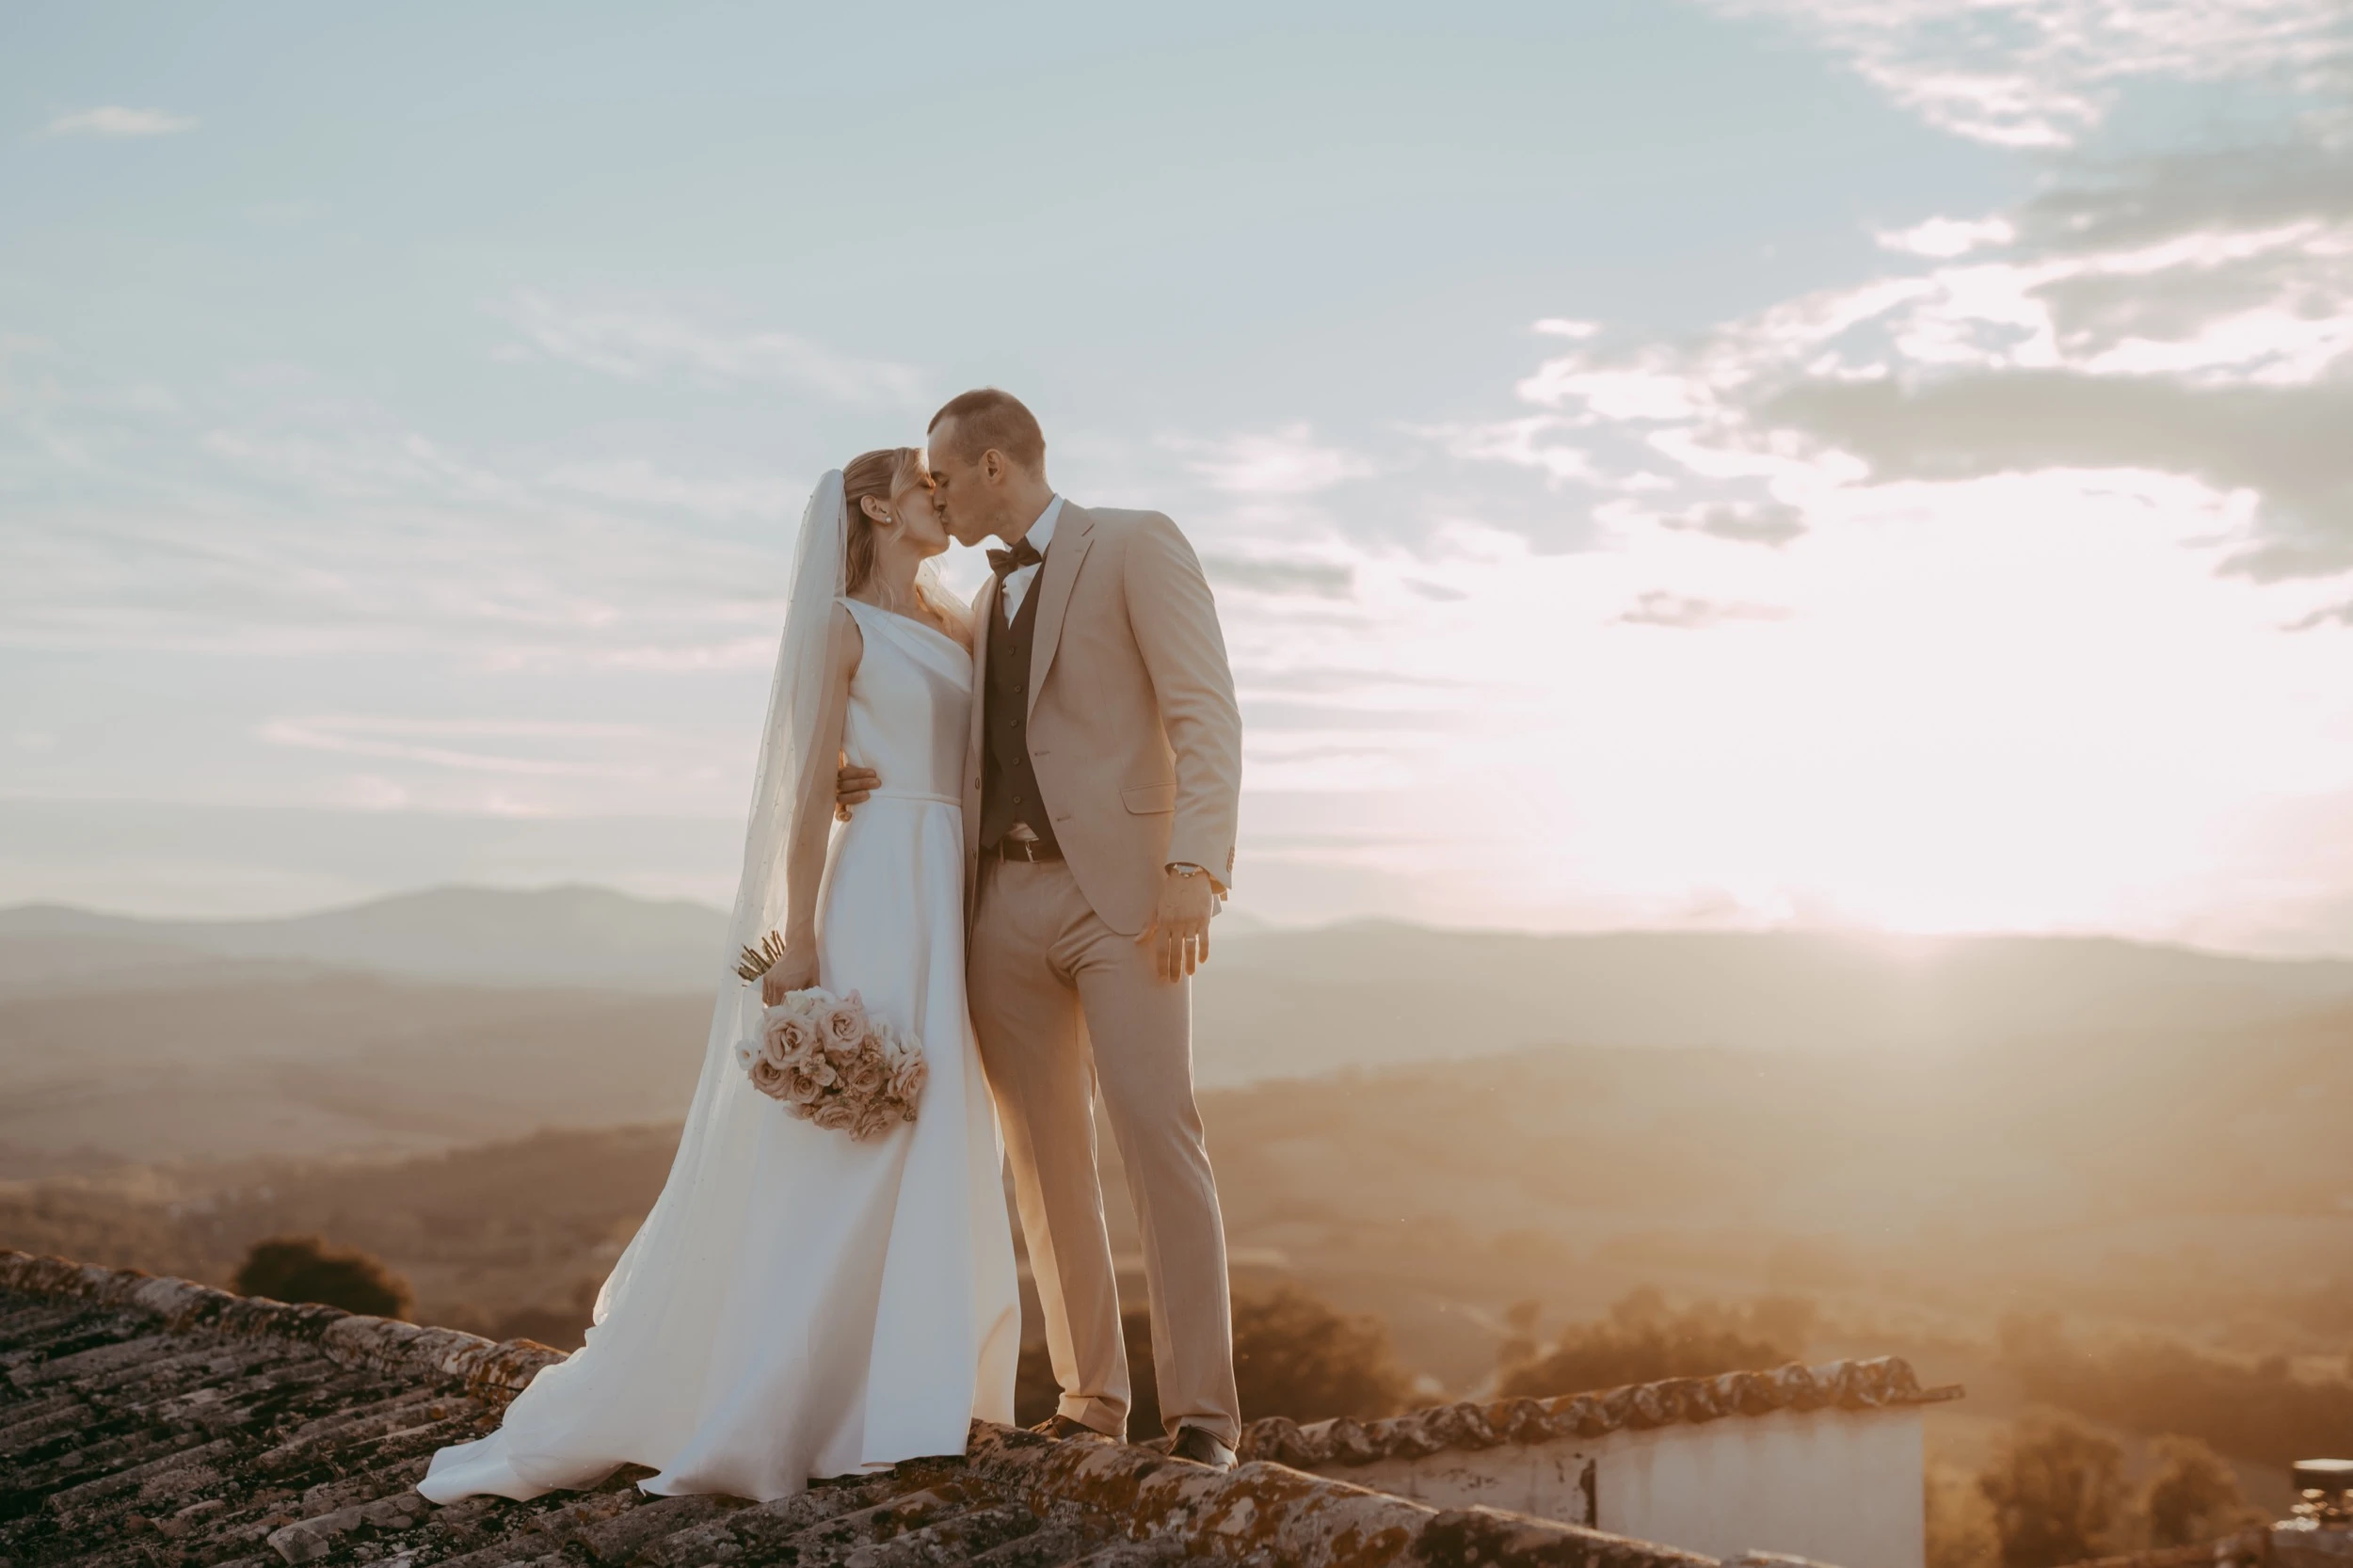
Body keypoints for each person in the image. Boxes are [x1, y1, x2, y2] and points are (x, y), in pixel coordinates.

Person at [417, 449, 1019, 1504]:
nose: (943, 496)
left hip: (952, 885)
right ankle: (796, 1393)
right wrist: (797, 937)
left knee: (941, 1125)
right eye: (926, 484)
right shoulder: (842, 627)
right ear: (877, 505)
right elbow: (801, 792)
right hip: (880, 880)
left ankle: (914, 1382)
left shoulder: (959, 619)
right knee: (867, 1128)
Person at [837, 389, 1245, 1469]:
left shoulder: (1135, 544)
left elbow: (1206, 712)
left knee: (1158, 1135)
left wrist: (1195, 867)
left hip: (1126, 899)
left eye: (942, 475)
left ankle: (1203, 1417)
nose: (932, 492)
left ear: (992, 468)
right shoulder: (974, 602)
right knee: (1043, 1157)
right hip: (997, 906)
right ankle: (1092, 1397)